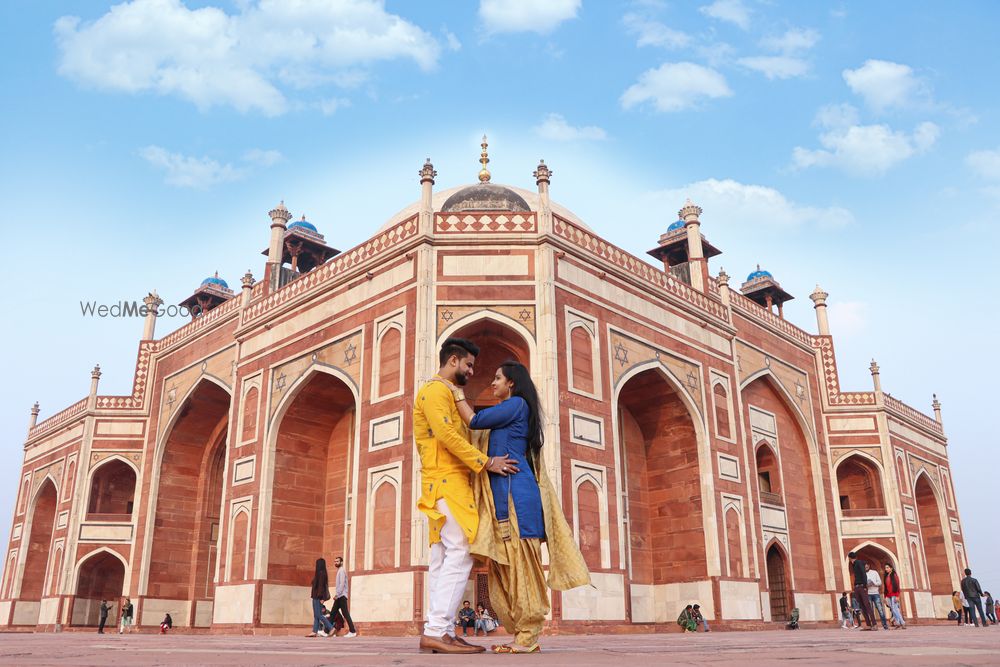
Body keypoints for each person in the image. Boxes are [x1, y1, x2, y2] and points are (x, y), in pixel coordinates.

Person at [452, 359, 590, 654]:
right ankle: (521, 634)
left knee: (523, 569)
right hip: (503, 499)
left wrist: (456, 392)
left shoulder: (517, 405)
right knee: (506, 568)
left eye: (498, 378)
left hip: (518, 499)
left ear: (511, 382)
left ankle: (528, 635)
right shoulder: (510, 410)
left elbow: (474, 421)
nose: (493, 383)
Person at [414, 338, 517, 655]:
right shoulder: (434, 391)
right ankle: (436, 631)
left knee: (443, 557)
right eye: (469, 365)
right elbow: (446, 435)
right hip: (446, 480)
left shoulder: (447, 393)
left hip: (445, 482)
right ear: (454, 360)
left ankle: (442, 630)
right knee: (462, 549)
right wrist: (486, 462)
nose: (473, 372)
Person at [848, 552, 877, 630]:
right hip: (857, 587)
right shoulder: (855, 565)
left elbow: (864, 574)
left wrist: (864, 586)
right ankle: (868, 625)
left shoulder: (858, 563)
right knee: (862, 607)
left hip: (861, 586)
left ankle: (874, 624)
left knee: (867, 605)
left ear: (850, 558)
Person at [331, 556, 357, 637]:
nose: (336, 563)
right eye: (335, 561)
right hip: (340, 596)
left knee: (345, 614)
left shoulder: (341, 571)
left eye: (337, 561)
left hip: (341, 596)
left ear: (341, 562)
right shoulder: (339, 571)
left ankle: (352, 631)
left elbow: (342, 584)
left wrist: (337, 594)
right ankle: (328, 630)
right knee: (333, 613)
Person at [309, 558, 334, 638]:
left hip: (318, 597)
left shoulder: (321, 574)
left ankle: (331, 628)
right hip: (316, 596)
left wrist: (322, 598)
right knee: (316, 615)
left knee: (318, 614)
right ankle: (314, 631)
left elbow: (321, 587)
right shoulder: (321, 573)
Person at [865, 562, 889, 630]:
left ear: (869, 566)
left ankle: (885, 625)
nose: (865, 568)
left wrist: (873, 583)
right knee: (870, 611)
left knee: (880, 610)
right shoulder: (863, 574)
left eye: (866, 566)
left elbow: (879, 583)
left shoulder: (874, 572)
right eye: (864, 567)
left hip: (875, 593)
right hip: (868, 594)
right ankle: (874, 625)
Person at [882, 563, 906, 629]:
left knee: (895, 609)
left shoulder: (894, 575)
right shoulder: (886, 576)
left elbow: (897, 586)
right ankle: (898, 623)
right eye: (885, 568)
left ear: (891, 568)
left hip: (894, 594)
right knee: (893, 609)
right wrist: (885, 597)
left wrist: (897, 596)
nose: (886, 569)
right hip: (888, 595)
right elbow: (886, 587)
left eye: (887, 567)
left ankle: (902, 622)